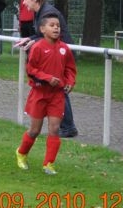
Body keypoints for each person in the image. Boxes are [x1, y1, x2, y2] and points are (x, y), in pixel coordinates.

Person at [15, 13, 77, 175]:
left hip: (57, 96)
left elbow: (70, 68)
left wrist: (70, 81)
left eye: (57, 25)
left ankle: (48, 164)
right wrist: (48, 78)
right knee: (35, 130)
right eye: (52, 25)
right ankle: (21, 153)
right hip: (39, 94)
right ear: (42, 29)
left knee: (54, 128)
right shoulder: (37, 47)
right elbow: (31, 70)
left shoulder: (64, 48)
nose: (56, 27)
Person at [16, 0, 79, 138]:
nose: (24, 3)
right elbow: (41, 35)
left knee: (59, 88)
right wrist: (30, 39)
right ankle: (67, 126)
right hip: (53, 53)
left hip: (60, 54)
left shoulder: (47, 13)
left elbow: (50, 35)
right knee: (57, 88)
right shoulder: (40, 13)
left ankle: (68, 127)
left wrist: (33, 40)